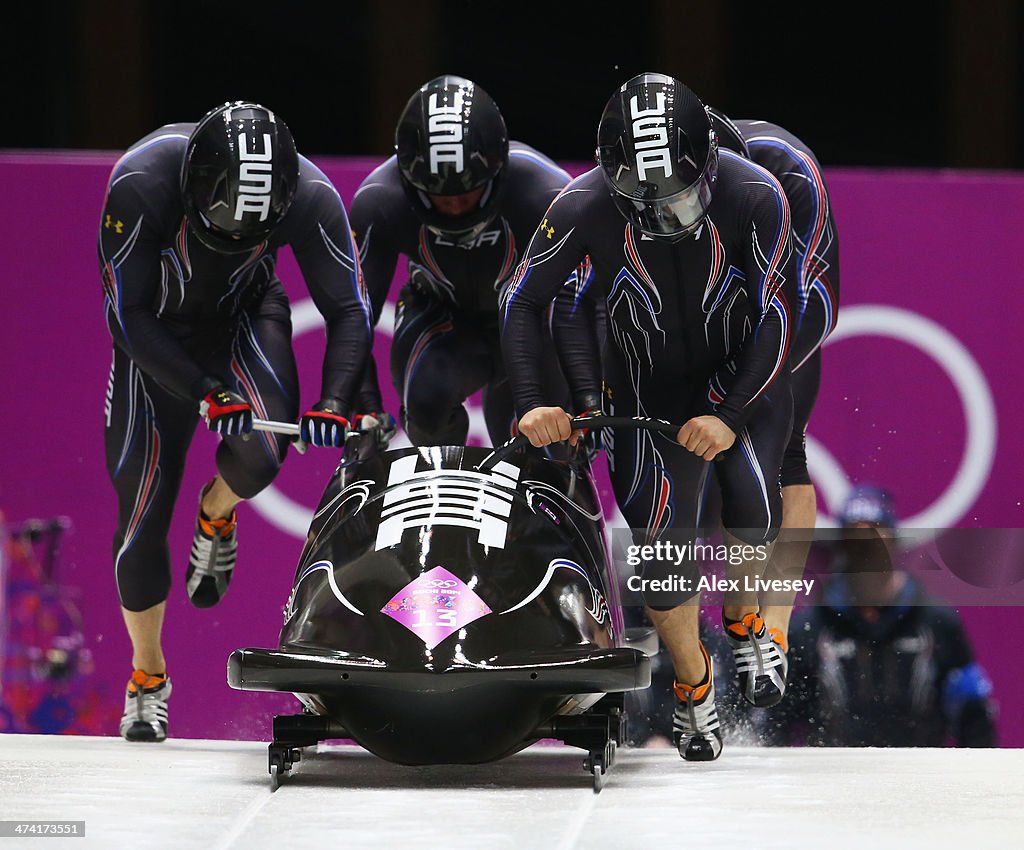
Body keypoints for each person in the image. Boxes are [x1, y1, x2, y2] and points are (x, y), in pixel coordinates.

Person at [502, 72, 799, 761]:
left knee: (752, 507)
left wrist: (727, 414)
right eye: (644, 204)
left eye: (681, 198)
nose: (666, 217)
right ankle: (695, 689)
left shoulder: (758, 195)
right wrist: (533, 405)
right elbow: (525, 302)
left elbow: (780, 314)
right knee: (665, 556)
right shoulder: (578, 206)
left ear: (709, 168)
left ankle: (743, 615)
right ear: (613, 183)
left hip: (739, 380)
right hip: (646, 391)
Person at [99, 102, 373, 742]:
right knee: (140, 522)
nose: (234, 241)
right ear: (194, 190)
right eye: (221, 230)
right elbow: (128, 313)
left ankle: (217, 510)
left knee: (262, 456)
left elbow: (348, 310)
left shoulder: (309, 194)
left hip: (246, 316)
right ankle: (148, 676)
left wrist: (334, 401)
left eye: (251, 235)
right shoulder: (141, 182)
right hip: (156, 342)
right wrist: (202, 387)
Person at [348, 74, 575, 447]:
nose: (453, 208)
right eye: (439, 196)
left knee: (549, 446)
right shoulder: (379, 201)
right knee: (426, 413)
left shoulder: (544, 192)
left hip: (530, 319)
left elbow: (586, 301)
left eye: (466, 193)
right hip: (441, 319)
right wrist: (364, 405)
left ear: (496, 170)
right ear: (409, 182)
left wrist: (587, 399)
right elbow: (353, 317)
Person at [704, 108, 841, 666]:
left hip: (782, 307)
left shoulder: (790, 171)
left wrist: (747, 390)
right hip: (707, 301)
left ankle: (774, 629)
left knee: (784, 445)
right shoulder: (652, 177)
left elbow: (819, 305)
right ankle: (709, 634)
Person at [765, 485, 998, 747]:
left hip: (923, 777)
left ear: (893, 539)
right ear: (842, 545)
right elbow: (775, 720)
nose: (867, 547)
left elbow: (975, 715)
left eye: (876, 534)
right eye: (855, 537)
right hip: (833, 778)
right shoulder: (808, 628)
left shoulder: (936, 622)